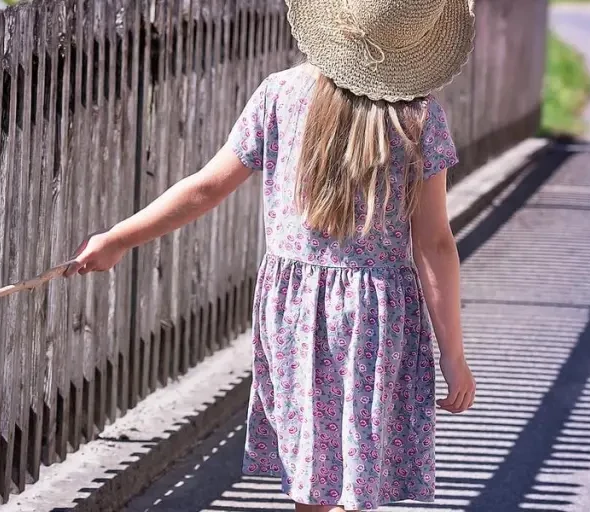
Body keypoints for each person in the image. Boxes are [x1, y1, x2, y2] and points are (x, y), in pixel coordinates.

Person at [65, 0, 477, 509]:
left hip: (297, 314)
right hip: (377, 315)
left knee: (313, 474)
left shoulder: (280, 95)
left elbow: (204, 189)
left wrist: (118, 238)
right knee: (360, 474)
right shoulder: (417, 117)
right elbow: (433, 242)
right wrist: (453, 356)